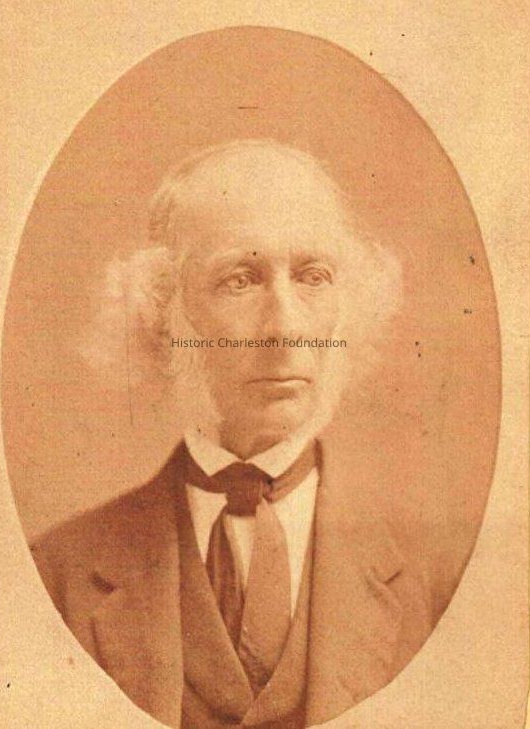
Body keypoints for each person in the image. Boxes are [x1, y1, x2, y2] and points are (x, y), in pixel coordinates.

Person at [31, 139, 436, 728]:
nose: (286, 327)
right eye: (240, 280)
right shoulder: (55, 575)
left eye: (313, 277)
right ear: (163, 313)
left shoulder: (434, 579)